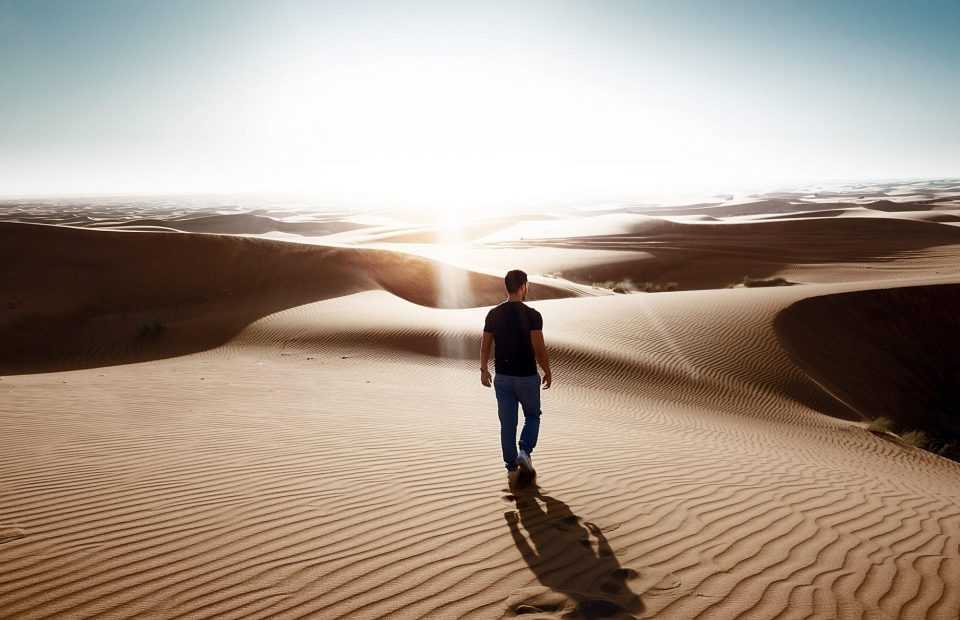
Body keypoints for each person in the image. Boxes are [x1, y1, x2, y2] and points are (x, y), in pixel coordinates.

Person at [480, 269, 552, 475]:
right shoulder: (532, 315)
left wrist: (484, 369)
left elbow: (485, 347)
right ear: (523, 286)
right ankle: (525, 452)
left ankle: (511, 469)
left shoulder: (493, 314)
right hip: (527, 378)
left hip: (502, 378)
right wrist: (547, 371)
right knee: (532, 416)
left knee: (508, 425)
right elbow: (539, 350)